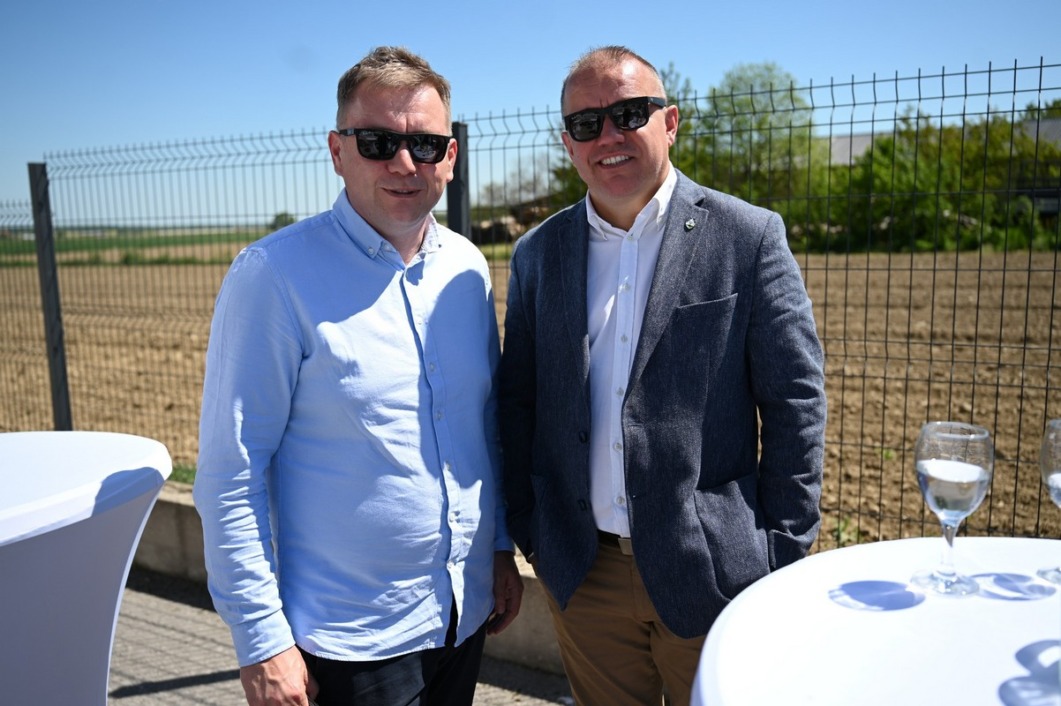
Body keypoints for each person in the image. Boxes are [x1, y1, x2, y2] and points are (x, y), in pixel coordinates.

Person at [193, 46, 523, 706]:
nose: (404, 163)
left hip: (461, 614)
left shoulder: (466, 268)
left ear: (451, 158)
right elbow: (231, 471)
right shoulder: (273, 276)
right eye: (377, 142)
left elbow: (480, 428)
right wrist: (261, 642)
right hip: (347, 639)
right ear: (337, 151)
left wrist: (496, 548)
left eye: (425, 144)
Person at [498, 46, 826, 706]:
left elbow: (795, 401)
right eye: (586, 124)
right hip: (582, 575)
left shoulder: (748, 237)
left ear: (669, 122)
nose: (608, 136)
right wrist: (533, 532)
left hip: (712, 570)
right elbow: (519, 402)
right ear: (567, 143)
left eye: (628, 114)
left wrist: (781, 550)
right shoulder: (537, 255)